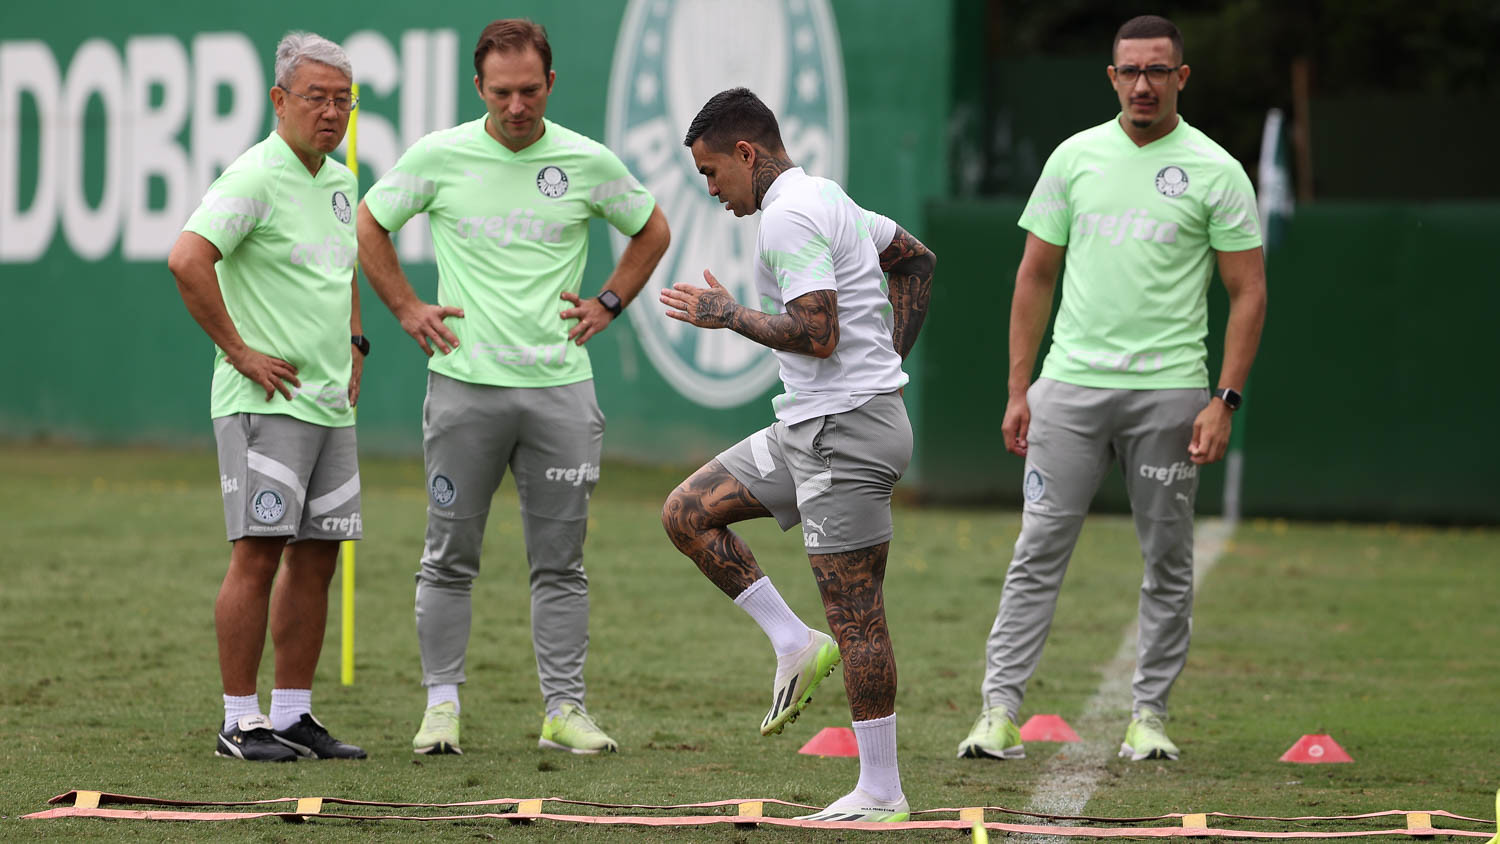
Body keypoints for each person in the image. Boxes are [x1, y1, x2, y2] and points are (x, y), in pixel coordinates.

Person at [956, 14, 1268, 763]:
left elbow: (1248, 291)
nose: (1142, 85)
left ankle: (1149, 718)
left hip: (1171, 396)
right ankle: (998, 713)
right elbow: (1035, 275)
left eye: (1158, 71)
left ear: (1181, 78)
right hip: (1069, 390)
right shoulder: (1074, 158)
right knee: (1038, 550)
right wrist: (1018, 388)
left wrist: (1223, 400)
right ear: (1111, 77)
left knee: (1167, 558)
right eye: (1130, 71)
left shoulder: (1217, 170)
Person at [357, 18, 669, 757]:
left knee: (560, 562)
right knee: (448, 555)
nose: (518, 105)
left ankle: (564, 710)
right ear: (479, 89)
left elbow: (652, 229)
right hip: (464, 388)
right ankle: (441, 707)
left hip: (561, 391)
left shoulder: (587, 162)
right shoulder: (439, 155)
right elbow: (370, 225)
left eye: (530, 90)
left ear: (551, 84)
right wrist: (405, 306)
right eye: (502, 92)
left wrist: (610, 302)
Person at [660, 87, 936, 823]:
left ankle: (881, 791)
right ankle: (791, 643)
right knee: (687, 513)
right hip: (810, 425)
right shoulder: (826, 195)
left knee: (858, 617)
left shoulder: (788, 213)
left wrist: (728, 315)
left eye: (712, 173)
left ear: (746, 153)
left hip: (844, 435)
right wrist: (884, 366)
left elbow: (817, 332)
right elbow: (916, 260)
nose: (710, 190)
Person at [167, 31, 368, 762]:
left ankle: (290, 714)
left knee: (317, 558)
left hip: (327, 406)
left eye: (342, 99)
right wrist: (240, 351)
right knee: (258, 555)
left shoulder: (343, 181)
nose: (331, 111)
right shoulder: (254, 175)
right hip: (264, 405)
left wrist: (355, 341)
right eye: (316, 97)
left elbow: (342, 271)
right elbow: (187, 259)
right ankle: (238, 720)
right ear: (279, 100)